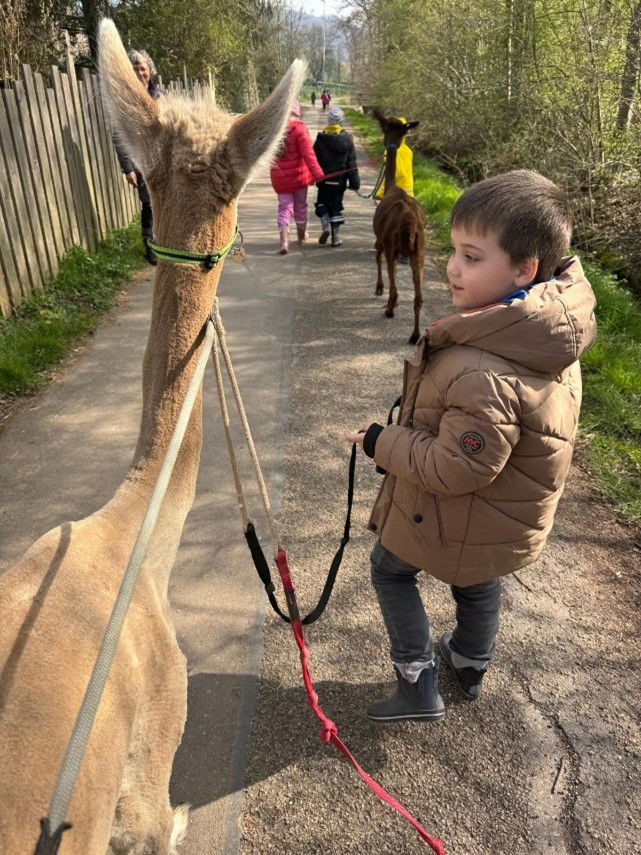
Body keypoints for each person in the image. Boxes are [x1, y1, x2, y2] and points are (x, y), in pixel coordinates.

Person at [344, 170, 597, 723]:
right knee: (480, 580)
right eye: (454, 251)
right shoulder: (550, 330)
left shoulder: (485, 366)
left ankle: (417, 682)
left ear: (525, 269)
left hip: (457, 511)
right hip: (500, 520)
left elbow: (456, 467)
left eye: (472, 257)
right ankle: (470, 659)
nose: (453, 268)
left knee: (390, 569)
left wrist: (382, 442)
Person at [112, 49, 163, 265]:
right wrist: (128, 168)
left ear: (150, 71)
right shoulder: (124, 101)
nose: (140, 72)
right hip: (141, 162)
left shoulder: (159, 96)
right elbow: (118, 135)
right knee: (149, 204)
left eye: (143, 68)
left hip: (163, 160)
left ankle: (166, 240)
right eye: (135, 69)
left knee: (163, 202)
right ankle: (150, 245)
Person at [270, 101, 324, 254]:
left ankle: (284, 242)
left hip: (280, 179)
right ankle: (301, 236)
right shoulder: (299, 129)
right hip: (299, 178)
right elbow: (309, 155)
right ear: (297, 112)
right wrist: (318, 174)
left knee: (284, 208)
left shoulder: (275, 131)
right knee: (300, 207)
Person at [313, 106, 360, 247]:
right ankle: (335, 237)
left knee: (322, 204)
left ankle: (325, 225)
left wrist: (311, 177)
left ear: (329, 121)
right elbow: (351, 163)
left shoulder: (321, 139)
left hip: (323, 181)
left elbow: (313, 160)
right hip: (339, 183)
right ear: (342, 121)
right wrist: (354, 182)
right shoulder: (348, 140)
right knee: (336, 206)